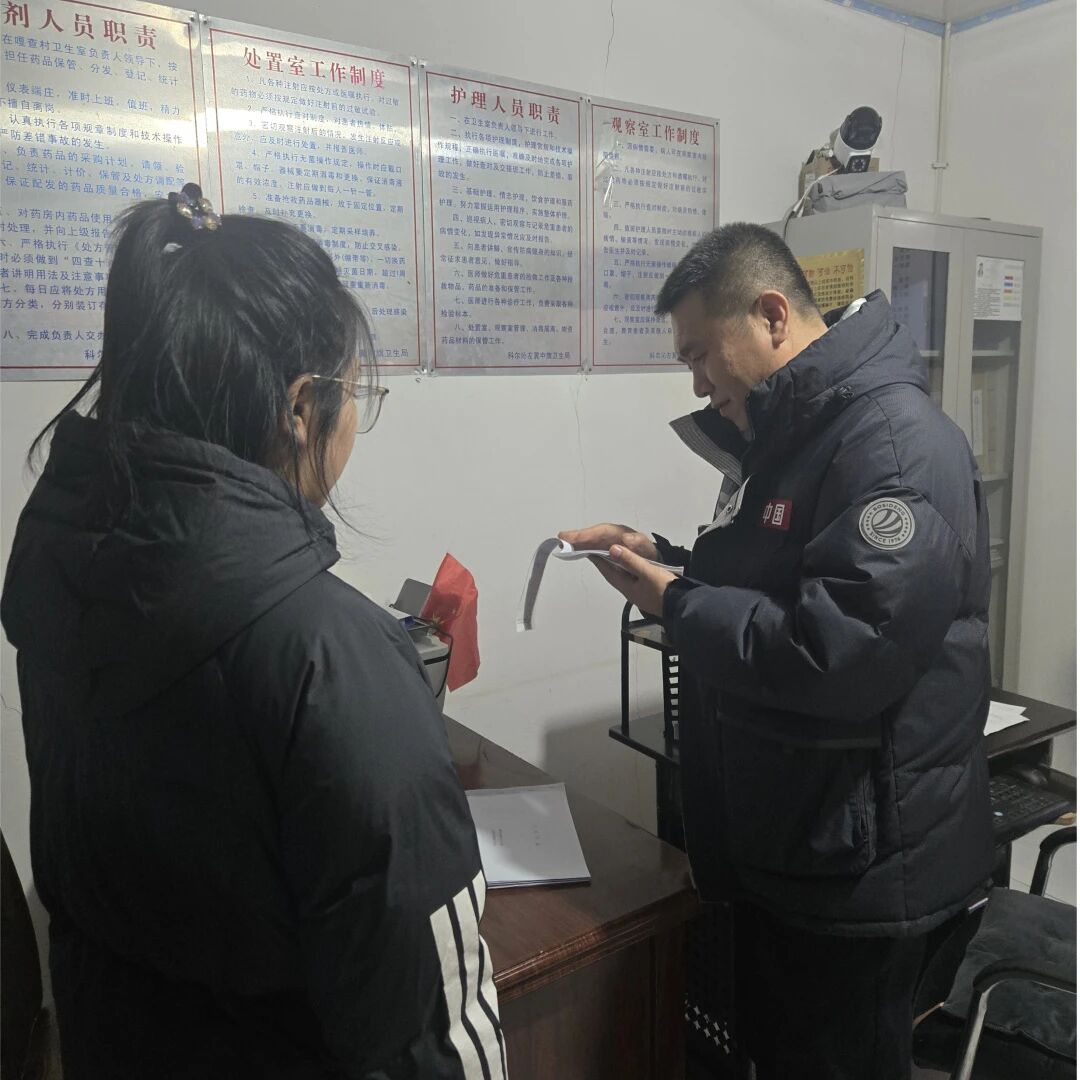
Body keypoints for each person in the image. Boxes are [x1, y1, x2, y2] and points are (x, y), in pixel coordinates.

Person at [1, 185, 506, 1079]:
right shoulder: (334, 659)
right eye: (357, 393)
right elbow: (425, 1030)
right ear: (302, 407)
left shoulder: (68, 580)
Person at [560, 223, 993, 1080]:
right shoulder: (801, 433)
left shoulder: (893, 446)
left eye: (700, 355)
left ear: (770, 316)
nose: (697, 383)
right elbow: (774, 578)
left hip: (862, 870)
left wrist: (677, 603)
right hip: (804, 843)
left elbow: (840, 652)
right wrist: (665, 562)